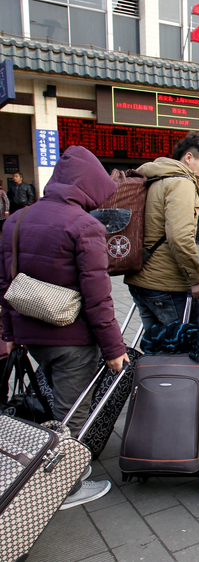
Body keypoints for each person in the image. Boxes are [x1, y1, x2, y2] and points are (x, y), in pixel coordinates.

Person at [0, 146, 128, 509]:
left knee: (58, 401)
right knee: (72, 414)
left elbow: (4, 284)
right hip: (71, 336)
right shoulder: (85, 226)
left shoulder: (17, 220)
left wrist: (9, 334)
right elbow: (98, 297)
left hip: (31, 332)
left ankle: (51, 470)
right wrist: (114, 349)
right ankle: (65, 487)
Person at [125, 131, 199, 329]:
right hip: (168, 285)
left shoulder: (153, 178)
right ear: (189, 158)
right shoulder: (181, 183)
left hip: (140, 277)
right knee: (186, 345)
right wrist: (197, 278)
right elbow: (180, 237)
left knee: (156, 343)